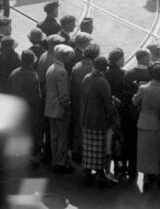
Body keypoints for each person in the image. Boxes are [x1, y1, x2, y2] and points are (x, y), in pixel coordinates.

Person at [132, 62, 160, 191]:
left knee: (144, 151)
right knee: (157, 151)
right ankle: (158, 177)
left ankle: (146, 178)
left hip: (143, 122)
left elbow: (135, 102)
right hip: (157, 124)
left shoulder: (143, 88)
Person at [79, 55, 116, 185]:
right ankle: (100, 174)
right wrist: (112, 118)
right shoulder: (102, 82)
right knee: (99, 150)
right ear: (105, 69)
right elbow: (107, 104)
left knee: (88, 148)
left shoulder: (86, 78)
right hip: (99, 121)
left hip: (86, 118)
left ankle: (86, 172)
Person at [45, 43, 74, 173]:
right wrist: (67, 105)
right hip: (59, 109)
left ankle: (55, 161)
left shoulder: (51, 68)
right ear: (64, 56)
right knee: (62, 136)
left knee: (54, 136)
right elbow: (64, 95)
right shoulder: (62, 71)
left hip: (50, 108)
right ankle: (60, 162)